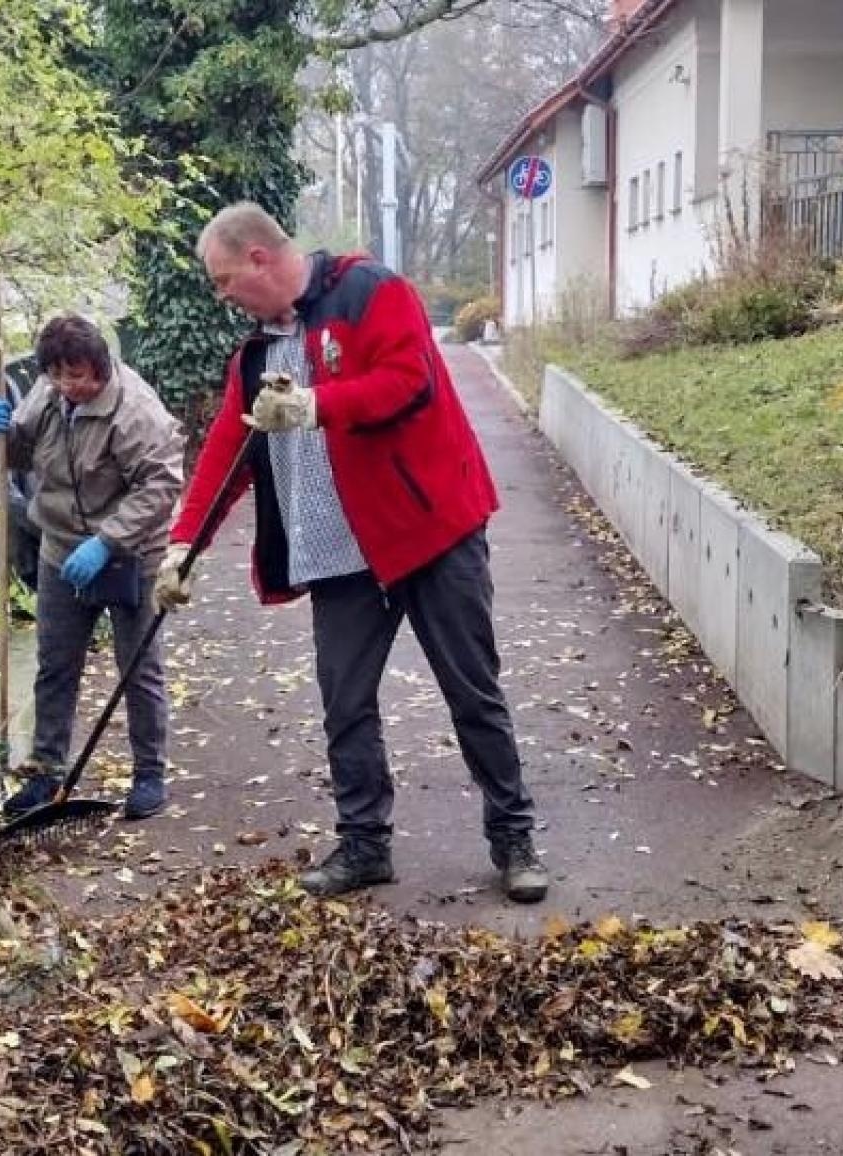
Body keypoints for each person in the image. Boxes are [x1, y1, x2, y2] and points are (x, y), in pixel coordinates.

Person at [154, 202, 548, 903]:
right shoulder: (255, 353)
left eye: (222, 280)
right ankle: (365, 845)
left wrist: (314, 405)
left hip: (431, 530)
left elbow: (407, 381)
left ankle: (513, 838)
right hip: (338, 551)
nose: (221, 297)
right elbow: (226, 451)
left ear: (259, 259)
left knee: (471, 690)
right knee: (346, 703)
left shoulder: (372, 293)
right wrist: (184, 545)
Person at [0, 314, 184, 820]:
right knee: (55, 665)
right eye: (57, 374)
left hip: (130, 553)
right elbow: (18, 455)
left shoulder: (135, 411)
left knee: (138, 667)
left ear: (99, 365)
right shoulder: (49, 395)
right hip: (61, 551)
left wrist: (106, 541)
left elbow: (160, 486)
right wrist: (0, 432)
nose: (68, 386)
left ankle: (148, 774)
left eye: (78, 375)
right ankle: (46, 773)